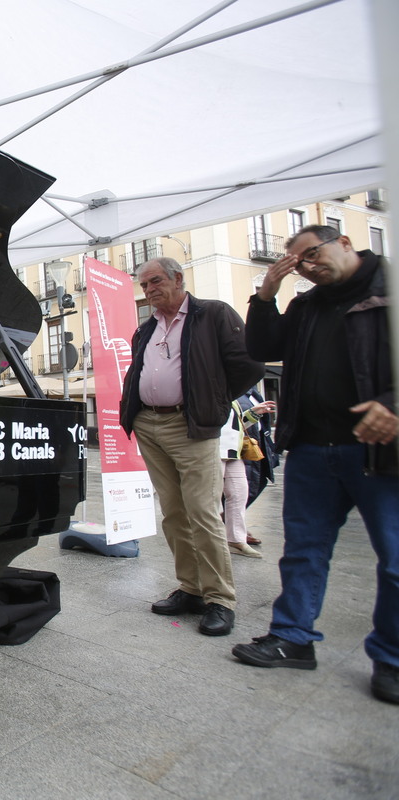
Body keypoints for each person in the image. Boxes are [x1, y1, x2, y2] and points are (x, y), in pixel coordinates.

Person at [231, 225, 398, 705]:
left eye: (312, 253)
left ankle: (392, 657)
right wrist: (266, 295)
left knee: (395, 561)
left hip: (380, 451)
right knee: (303, 549)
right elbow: (263, 350)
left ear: (345, 242)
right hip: (310, 449)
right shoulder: (307, 304)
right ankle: (293, 637)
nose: (306, 265)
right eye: (298, 261)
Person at [119, 257, 264, 636]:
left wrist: (211, 402)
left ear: (178, 279)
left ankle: (220, 598)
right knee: (173, 512)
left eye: (155, 282)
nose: (149, 291)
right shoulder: (146, 329)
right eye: (144, 285)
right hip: (149, 423)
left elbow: (249, 365)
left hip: (191, 425)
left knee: (202, 512)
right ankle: (191, 588)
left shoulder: (212, 314)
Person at [220, 393, 275, 558]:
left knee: (239, 495)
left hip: (232, 451)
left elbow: (236, 425)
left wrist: (254, 413)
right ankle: (212, 542)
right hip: (214, 449)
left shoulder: (233, 397)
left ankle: (236, 540)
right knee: (211, 500)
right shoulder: (213, 393)